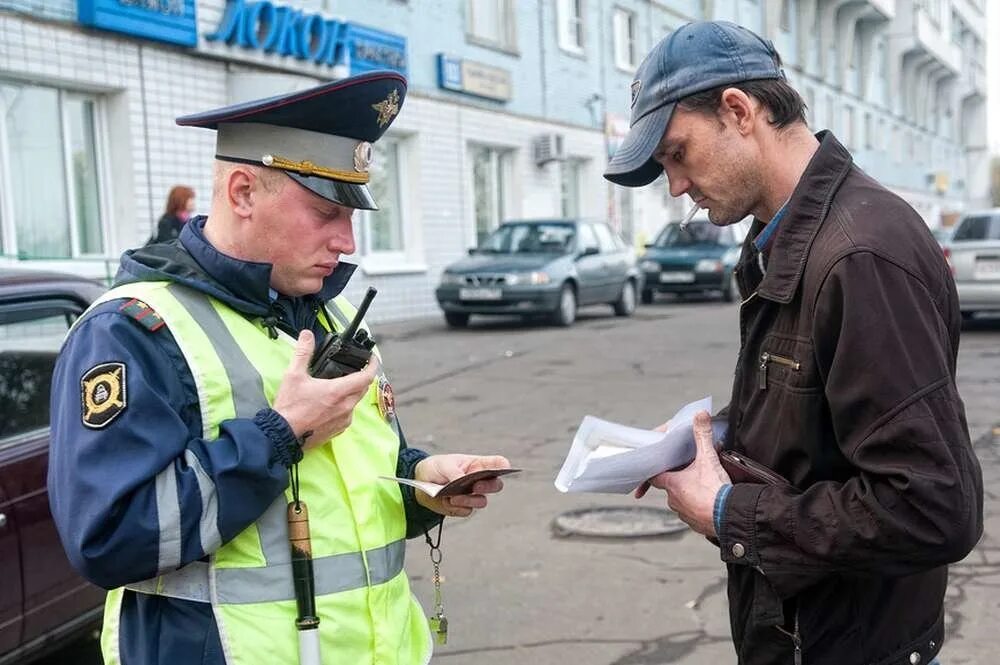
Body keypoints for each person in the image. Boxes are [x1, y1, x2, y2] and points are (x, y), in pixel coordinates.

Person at [48, 71, 510, 665]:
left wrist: (423, 482)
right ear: (242, 192)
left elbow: (348, 484)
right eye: (324, 212)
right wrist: (281, 434)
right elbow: (109, 539)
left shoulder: (333, 311)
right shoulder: (133, 330)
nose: (346, 240)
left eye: (352, 214)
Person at [605, 21, 983, 665]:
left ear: (737, 111)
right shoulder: (784, 240)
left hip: (856, 645)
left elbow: (932, 506)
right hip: (812, 632)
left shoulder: (861, 254)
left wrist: (729, 513)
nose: (676, 188)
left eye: (677, 154)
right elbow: (821, 418)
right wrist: (714, 438)